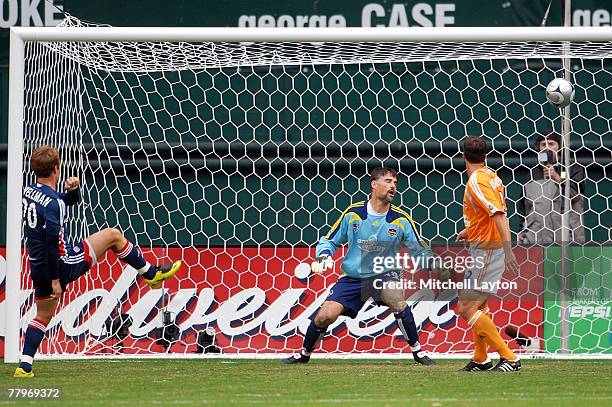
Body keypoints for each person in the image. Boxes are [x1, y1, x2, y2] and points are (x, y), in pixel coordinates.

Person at [15, 145, 182, 378]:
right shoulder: (54, 203)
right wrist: (56, 279)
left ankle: (24, 365)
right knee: (114, 235)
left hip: (37, 265)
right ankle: (150, 274)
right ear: (56, 168)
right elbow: (53, 240)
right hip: (61, 263)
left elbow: (58, 202)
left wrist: (72, 192)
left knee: (43, 316)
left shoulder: (29, 192)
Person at [283, 167, 434, 365]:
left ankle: (418, 351)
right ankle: (304, 354)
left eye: (395, 183)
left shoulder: (401, 219)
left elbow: (419, 248)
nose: (393, 186)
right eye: (388, 181)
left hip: (385, 274)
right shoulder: (353, 213)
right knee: (324, 316)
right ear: (374, 184)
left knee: (398, 302)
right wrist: (323, 256)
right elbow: (330, 240)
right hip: (353, 277)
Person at [456, 136, 522, 372]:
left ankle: (510, 358)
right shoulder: (491, 175)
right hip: (484, 246)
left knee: (466, 308)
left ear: (463, 156)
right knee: (479, 306)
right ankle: (481, 358)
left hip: (488, 251)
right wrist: (470, 229)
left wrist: (508, 249)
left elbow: (499, 214)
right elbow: (488, 213)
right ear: (486, 155)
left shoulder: (476, 181)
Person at [517, 131, 585, 245]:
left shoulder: (573, 169)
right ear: (538, 148)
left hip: (566, 238)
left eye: (551, 144)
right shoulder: (532, 174)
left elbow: (576, 197)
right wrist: (522, 231)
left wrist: (557, 178)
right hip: (536, 238)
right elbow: (523, 207)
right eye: (543, 144)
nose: (547, 148)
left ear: (560, 146)